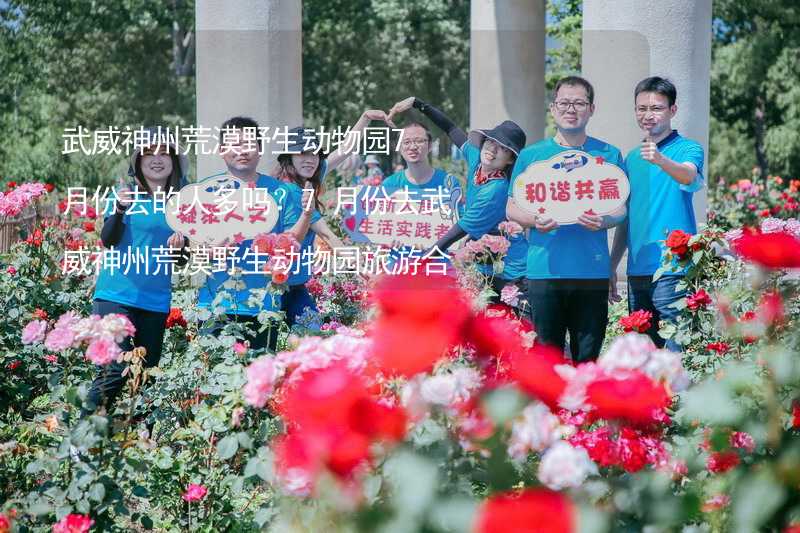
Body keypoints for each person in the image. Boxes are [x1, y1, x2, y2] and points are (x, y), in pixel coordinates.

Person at [506, 76, 627, 362]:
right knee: (547, 359)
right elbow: (511, 207)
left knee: (588, 359)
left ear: (592, 109)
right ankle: (550, 409)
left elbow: (621, 209)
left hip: (591, 272)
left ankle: (585, 409)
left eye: (579, 103)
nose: (571, 109)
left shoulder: (609, 155)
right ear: (553, 108)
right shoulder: (532, 156)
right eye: (564, 103)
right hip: (544, 271)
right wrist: (534, 220)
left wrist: (604, 220)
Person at [85, 127, 189, 412]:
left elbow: (181, 260)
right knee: (112, 373)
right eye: (149, 153)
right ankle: (80, 443)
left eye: (164, 153)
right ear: (138, 162)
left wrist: (178, 247)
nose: (157, 159)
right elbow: (108, 239)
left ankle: (139, 444)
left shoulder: (180, 204)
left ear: (174, 161)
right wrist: (119, 209)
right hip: (116, 296)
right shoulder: (125, 195)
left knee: (146, 377)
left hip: (155, 302)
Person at [387, 96, 528, 301]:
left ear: (510, 160)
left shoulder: (497, 189)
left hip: (512, 273)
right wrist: (418, 104)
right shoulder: (476, 160)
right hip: (485, 266)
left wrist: (418, 263)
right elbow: (451, 128)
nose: (493, 150)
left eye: (503, 149)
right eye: (491, 142)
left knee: (518, 330)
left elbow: (455, 233)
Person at [197, 116, 313, 351]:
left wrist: (307, 214)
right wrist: (209, 250)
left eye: (249, 144)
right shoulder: (205, 190)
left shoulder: (282, 191)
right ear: (221, 150)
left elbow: (292, 241)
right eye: (234, 144)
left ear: (260, 149)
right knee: (214, 381)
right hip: (215, 306)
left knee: (259, 381)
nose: (242, 151)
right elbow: (192, 246)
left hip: (264, 306)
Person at [610, 76, 704, 352]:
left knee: (678, 355)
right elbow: (626, 217)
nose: (647, 115)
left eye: (656, 108)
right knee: (644, 358)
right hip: (638, 269)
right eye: (641, 108)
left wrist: (661, 159)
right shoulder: (631, 158)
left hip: (673, 270)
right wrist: (612, 264)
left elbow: (689, 176)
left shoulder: (688, 148)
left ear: (672, 111)